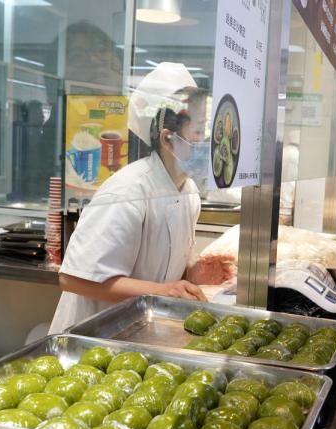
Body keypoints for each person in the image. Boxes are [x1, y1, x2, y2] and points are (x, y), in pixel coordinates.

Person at [49, 63, 232, 333]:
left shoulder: (188, 191)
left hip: (134, 332)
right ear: (168, 139)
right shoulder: (128, 191)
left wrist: (195, 272)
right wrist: (163, 291)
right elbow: (74, 279)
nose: (209, 141)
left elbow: (162, 266)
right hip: (90, 336)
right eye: (199, 130)